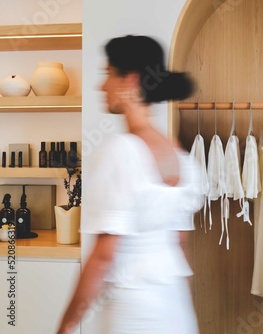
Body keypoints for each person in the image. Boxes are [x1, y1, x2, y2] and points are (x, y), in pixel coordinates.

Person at [57, 35, 202, 334]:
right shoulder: (181, 157)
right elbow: (180, 245)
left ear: (130, 81)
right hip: (177, 310)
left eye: (108, 74)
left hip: (133, 315)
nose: (102, 86)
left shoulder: (120, 152)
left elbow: (102, 258)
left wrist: (65, 327)